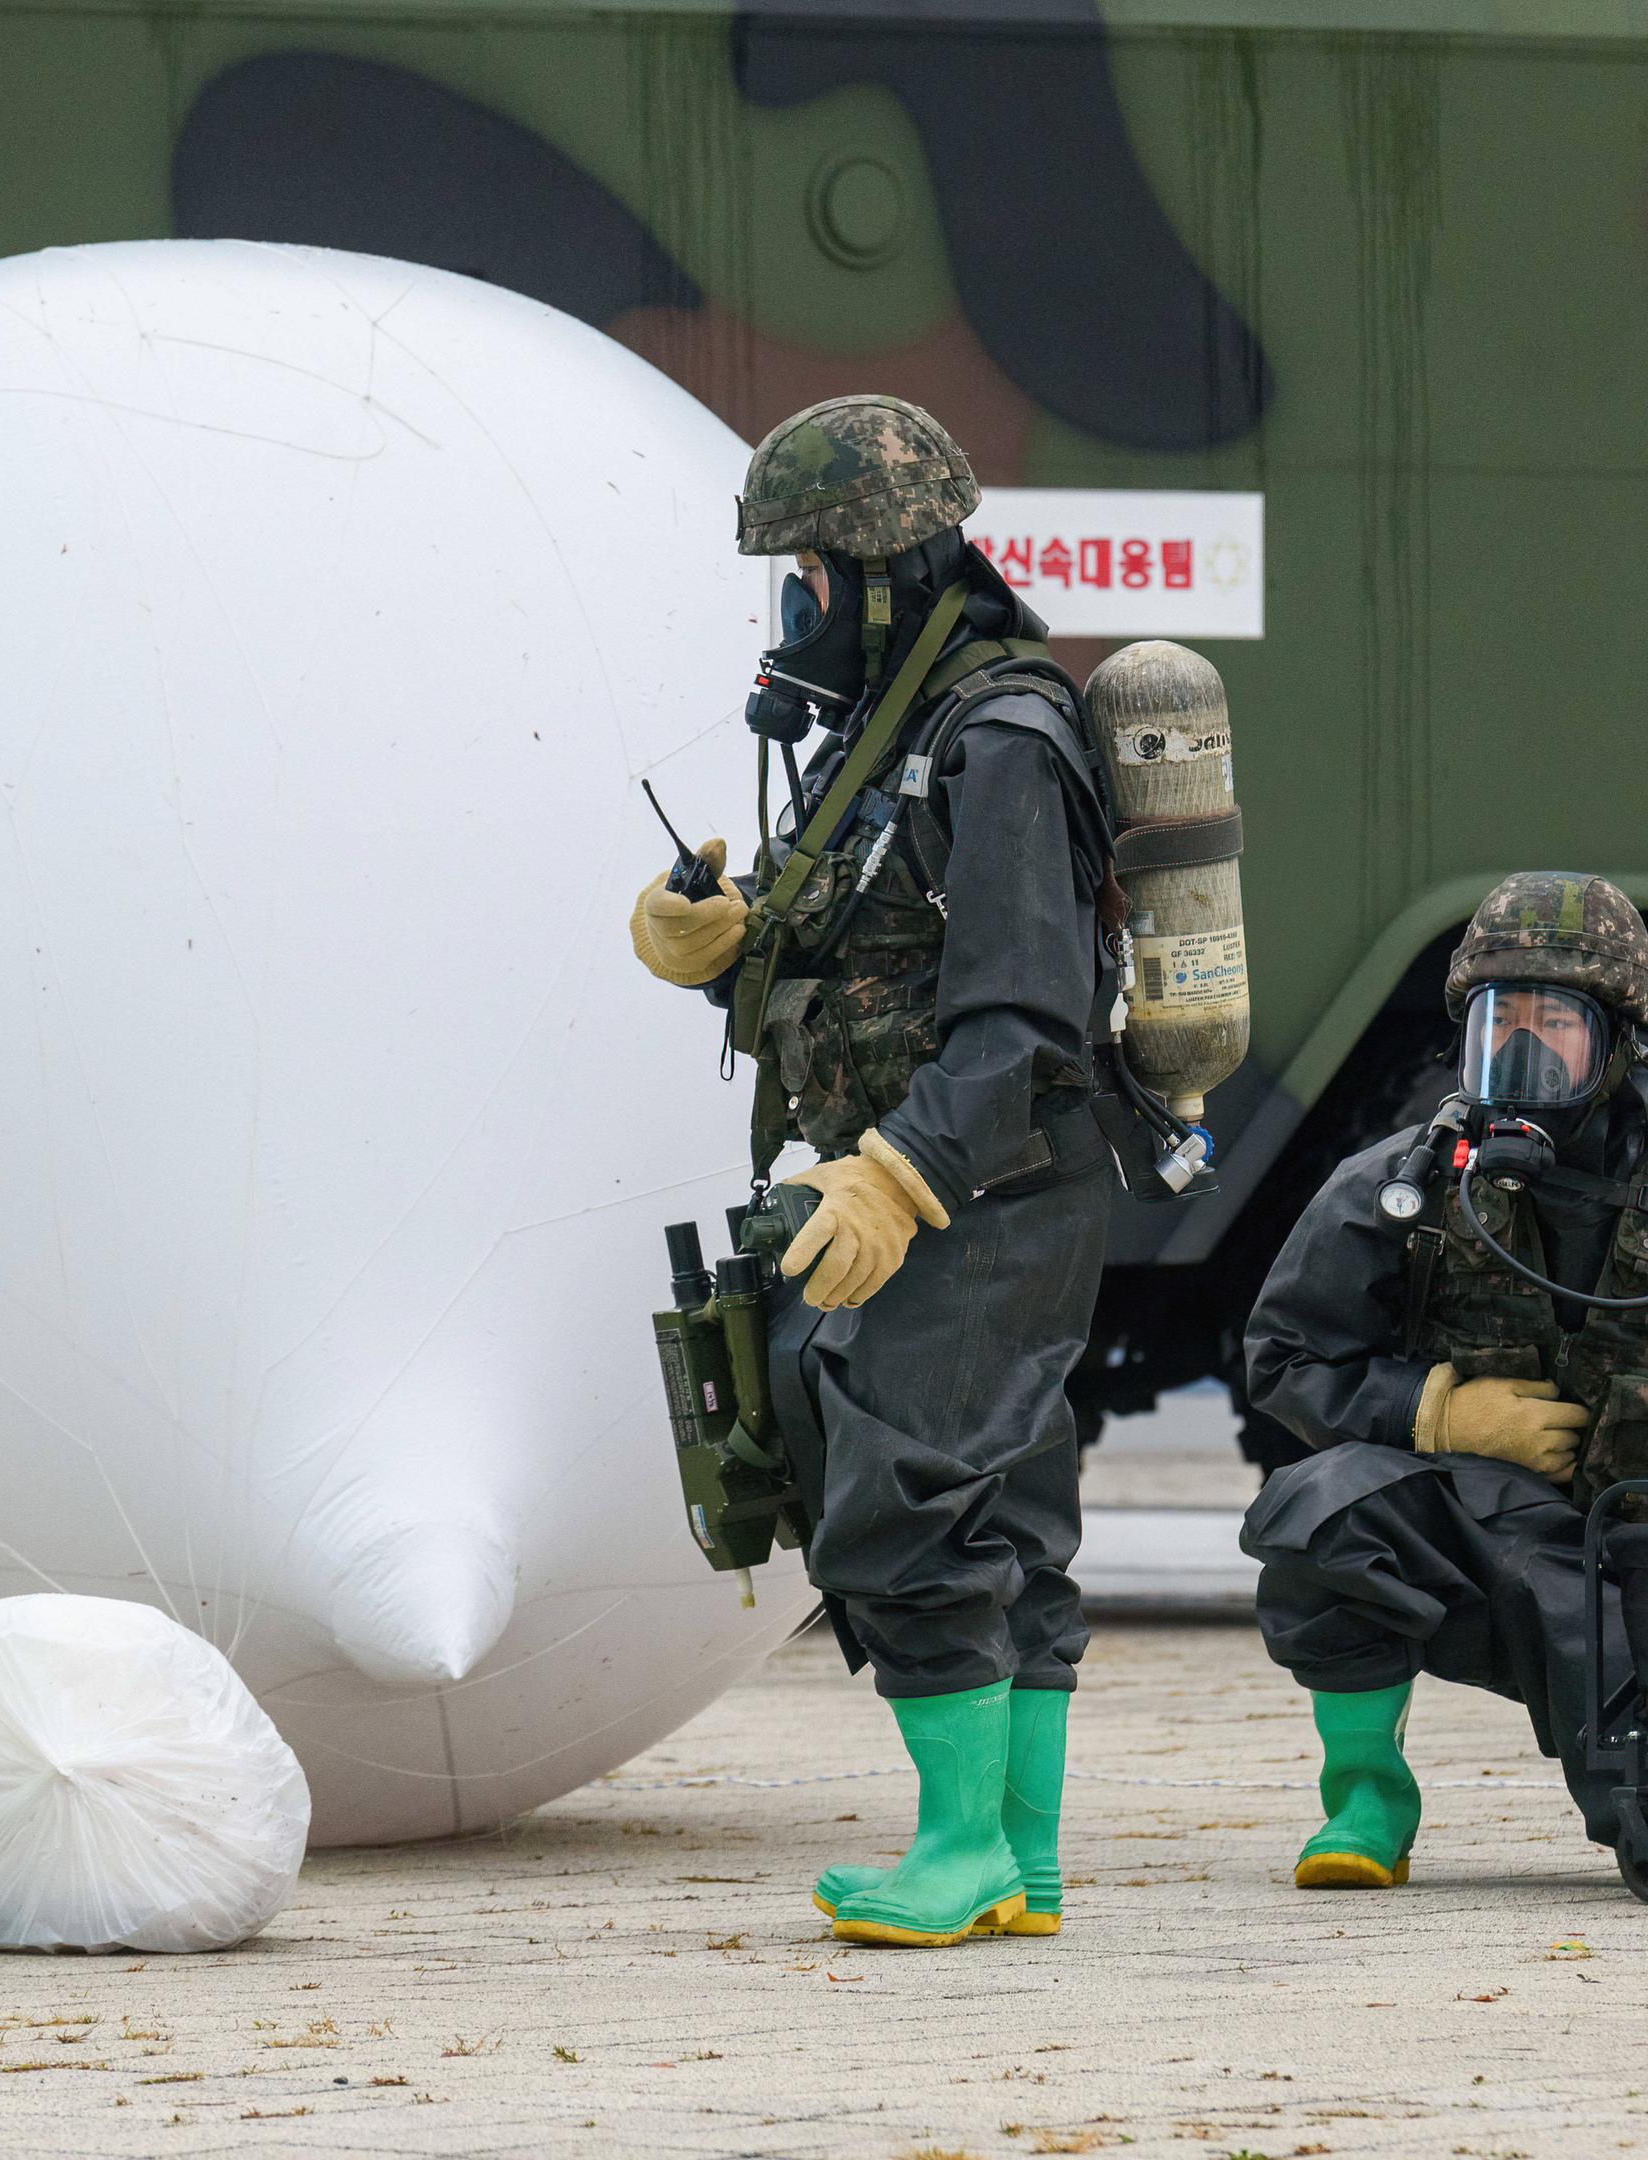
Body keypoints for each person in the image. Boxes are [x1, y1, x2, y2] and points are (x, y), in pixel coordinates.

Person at [628, 395, 1117, 1947]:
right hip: (953, 1179)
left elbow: (1023, 1013)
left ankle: (964, 1846)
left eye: (810, 576)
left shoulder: (1001, 740)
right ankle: (1017, 1864)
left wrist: (898, 1178)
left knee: (898, 1494)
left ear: (878, 576)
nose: (795, 609)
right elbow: (877, 963)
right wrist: (724, 952)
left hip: (983, 1186)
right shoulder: (899, 734)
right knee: (1004, 1504)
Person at [1237, 871, 1648, 1885]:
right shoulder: (1404, 1189)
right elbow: (1284, 1353)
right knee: (1321, 1512)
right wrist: (1433, 1412)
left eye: (1557, 1027)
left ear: (1623, 1043)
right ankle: (1366, 1799)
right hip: (1484, 1544)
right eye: (1499, 1025)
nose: (1521, 1056)